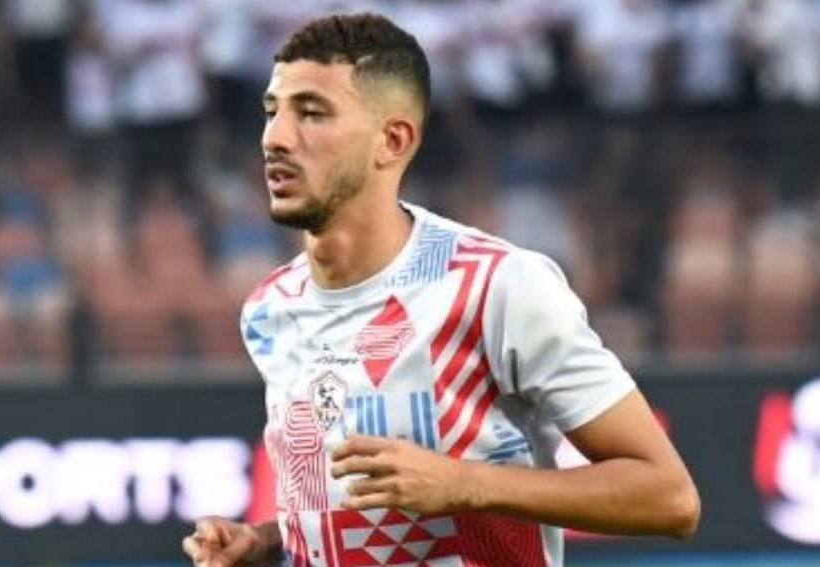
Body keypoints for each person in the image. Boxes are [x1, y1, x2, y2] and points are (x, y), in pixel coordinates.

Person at [184, 13, 699, 567]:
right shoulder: (270, 308)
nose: (275, 138)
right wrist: (268, 541)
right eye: (272, 111)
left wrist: (464, 483)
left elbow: (669, 498)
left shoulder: (496, 286)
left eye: (311, 113)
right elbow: (352, 509)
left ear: (392, 141)